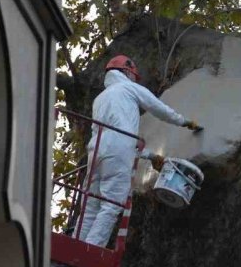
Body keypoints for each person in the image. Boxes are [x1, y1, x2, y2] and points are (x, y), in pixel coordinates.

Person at [77, 55, 202, 247]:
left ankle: (75, 246)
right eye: (134, 76)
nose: (135, 80)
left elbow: (115, 140)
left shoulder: (100, 99)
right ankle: (91, 250)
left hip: (95, 150)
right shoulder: (129, 88)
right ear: (126, 72)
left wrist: (150, 156)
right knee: (112, 203)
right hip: (117, 149)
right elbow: (158, 109)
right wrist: (184, 122)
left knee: (90, 205)